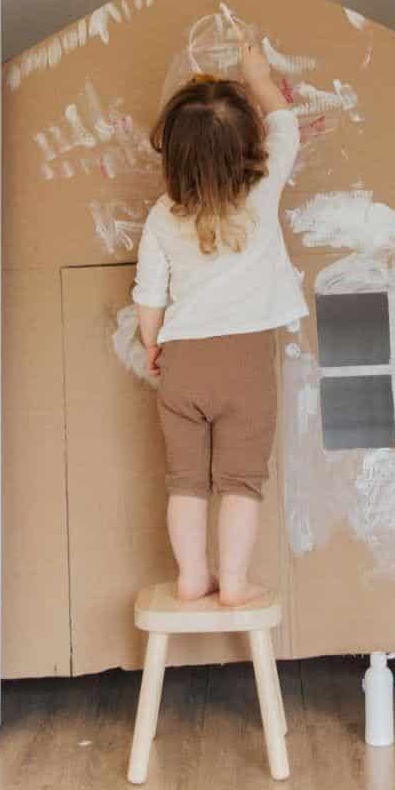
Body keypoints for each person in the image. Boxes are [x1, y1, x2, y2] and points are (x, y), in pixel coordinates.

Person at [133, 31, 307, 606]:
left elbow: (149, 294)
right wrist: (258, 78)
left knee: (185, 481)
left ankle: (190, 577)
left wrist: (153, 346)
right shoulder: (260, 193)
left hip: (183, 362)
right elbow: (286, 126)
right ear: (247, 151)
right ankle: (232, 582)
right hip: (247, 363)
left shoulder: (163, 215)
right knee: (239, 482)